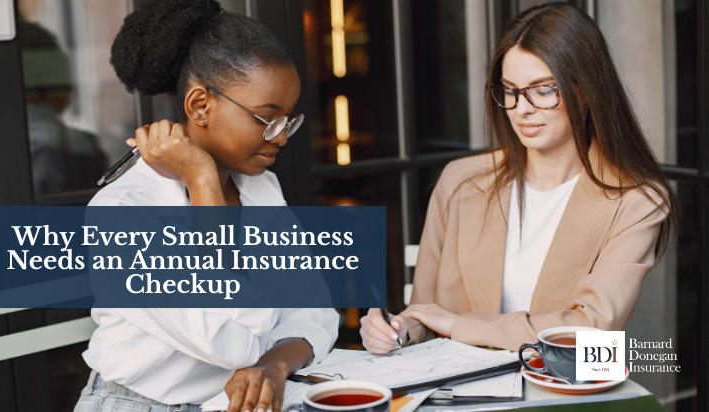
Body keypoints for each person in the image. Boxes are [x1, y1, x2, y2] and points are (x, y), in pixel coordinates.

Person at [360, 2, 679, 354]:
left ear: (587, 90)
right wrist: (399, 329)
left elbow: (592, 330)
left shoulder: (638, 200)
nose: (521, 108)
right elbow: (424, 313)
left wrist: (459, 325)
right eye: (510, 90)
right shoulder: (461, 181)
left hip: (563, 391)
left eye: (543, 89)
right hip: (461, 392)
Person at [74, 1, 337, 412]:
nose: (282, 138)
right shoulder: (121, 212)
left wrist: (273, 365)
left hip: (238, 400)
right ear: (199, 106)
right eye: (267, 119)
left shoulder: (261, 188)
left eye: (288, 120)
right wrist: (201, 180)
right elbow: (234, 337)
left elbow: (315, 311)